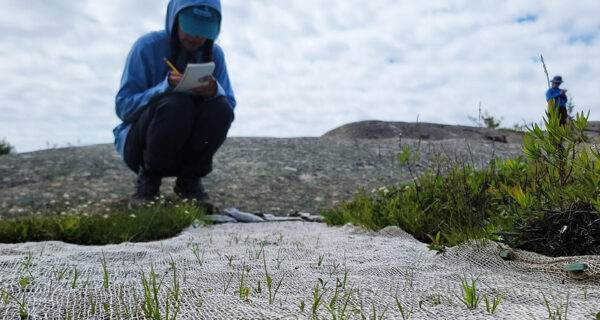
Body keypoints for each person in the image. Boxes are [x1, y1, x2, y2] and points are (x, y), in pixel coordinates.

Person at [113, 0, 236, 208]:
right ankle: (148, 185)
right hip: (141, 148)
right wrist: (164, 87)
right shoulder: (146, 47)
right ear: (174, 19)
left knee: (221, 107)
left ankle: (190, 183)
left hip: (185, 148)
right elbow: (123, 107)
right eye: (189, 28)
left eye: (203, 31)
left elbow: (229, 107)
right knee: (177, 104)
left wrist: (214, 92)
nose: (196, 36)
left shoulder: (216, 55)